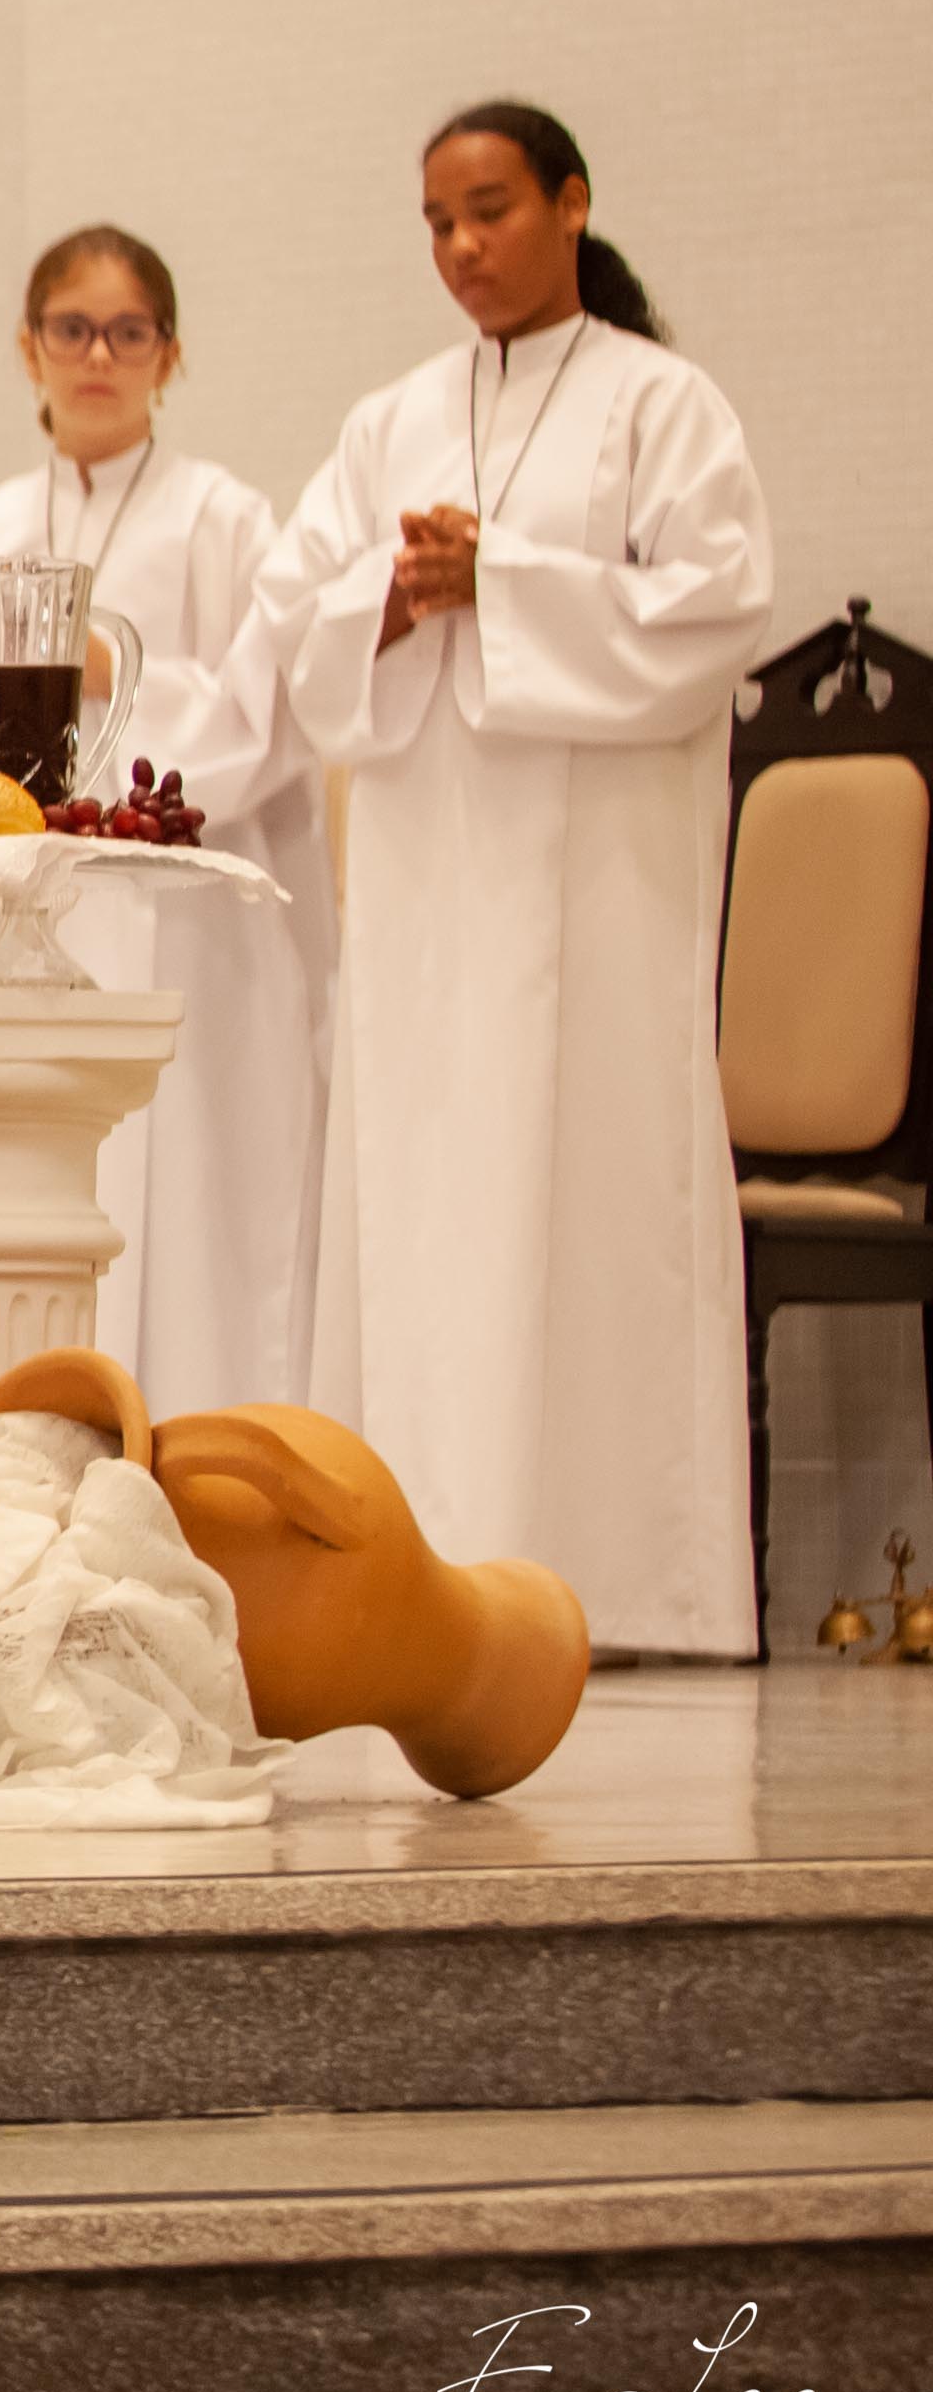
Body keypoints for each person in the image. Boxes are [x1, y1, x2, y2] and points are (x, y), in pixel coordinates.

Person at [263, 104, 776, 1659]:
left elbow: (718, 608)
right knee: (431, 1196)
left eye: (489, 209)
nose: (462, 247)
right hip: (429, 883)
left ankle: (618, 1577)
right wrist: (402, 596)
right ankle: (415, 1572)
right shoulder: (393, 421)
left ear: (572, 204)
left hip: (601, 890)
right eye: (437, 221)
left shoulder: (663, 405)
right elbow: (297, 622)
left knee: (596, 1199)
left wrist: (508, 580)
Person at [0, 227, 331, 1407]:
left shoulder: (228, 522)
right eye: (72, 330)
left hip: (189, 947)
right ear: (27, 348)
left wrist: (99, 673)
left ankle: (197, 1462)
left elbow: (267, 717)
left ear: (168, 356)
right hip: (21, 926)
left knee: (192, 1231)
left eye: (128, 333)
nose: (98, 356)